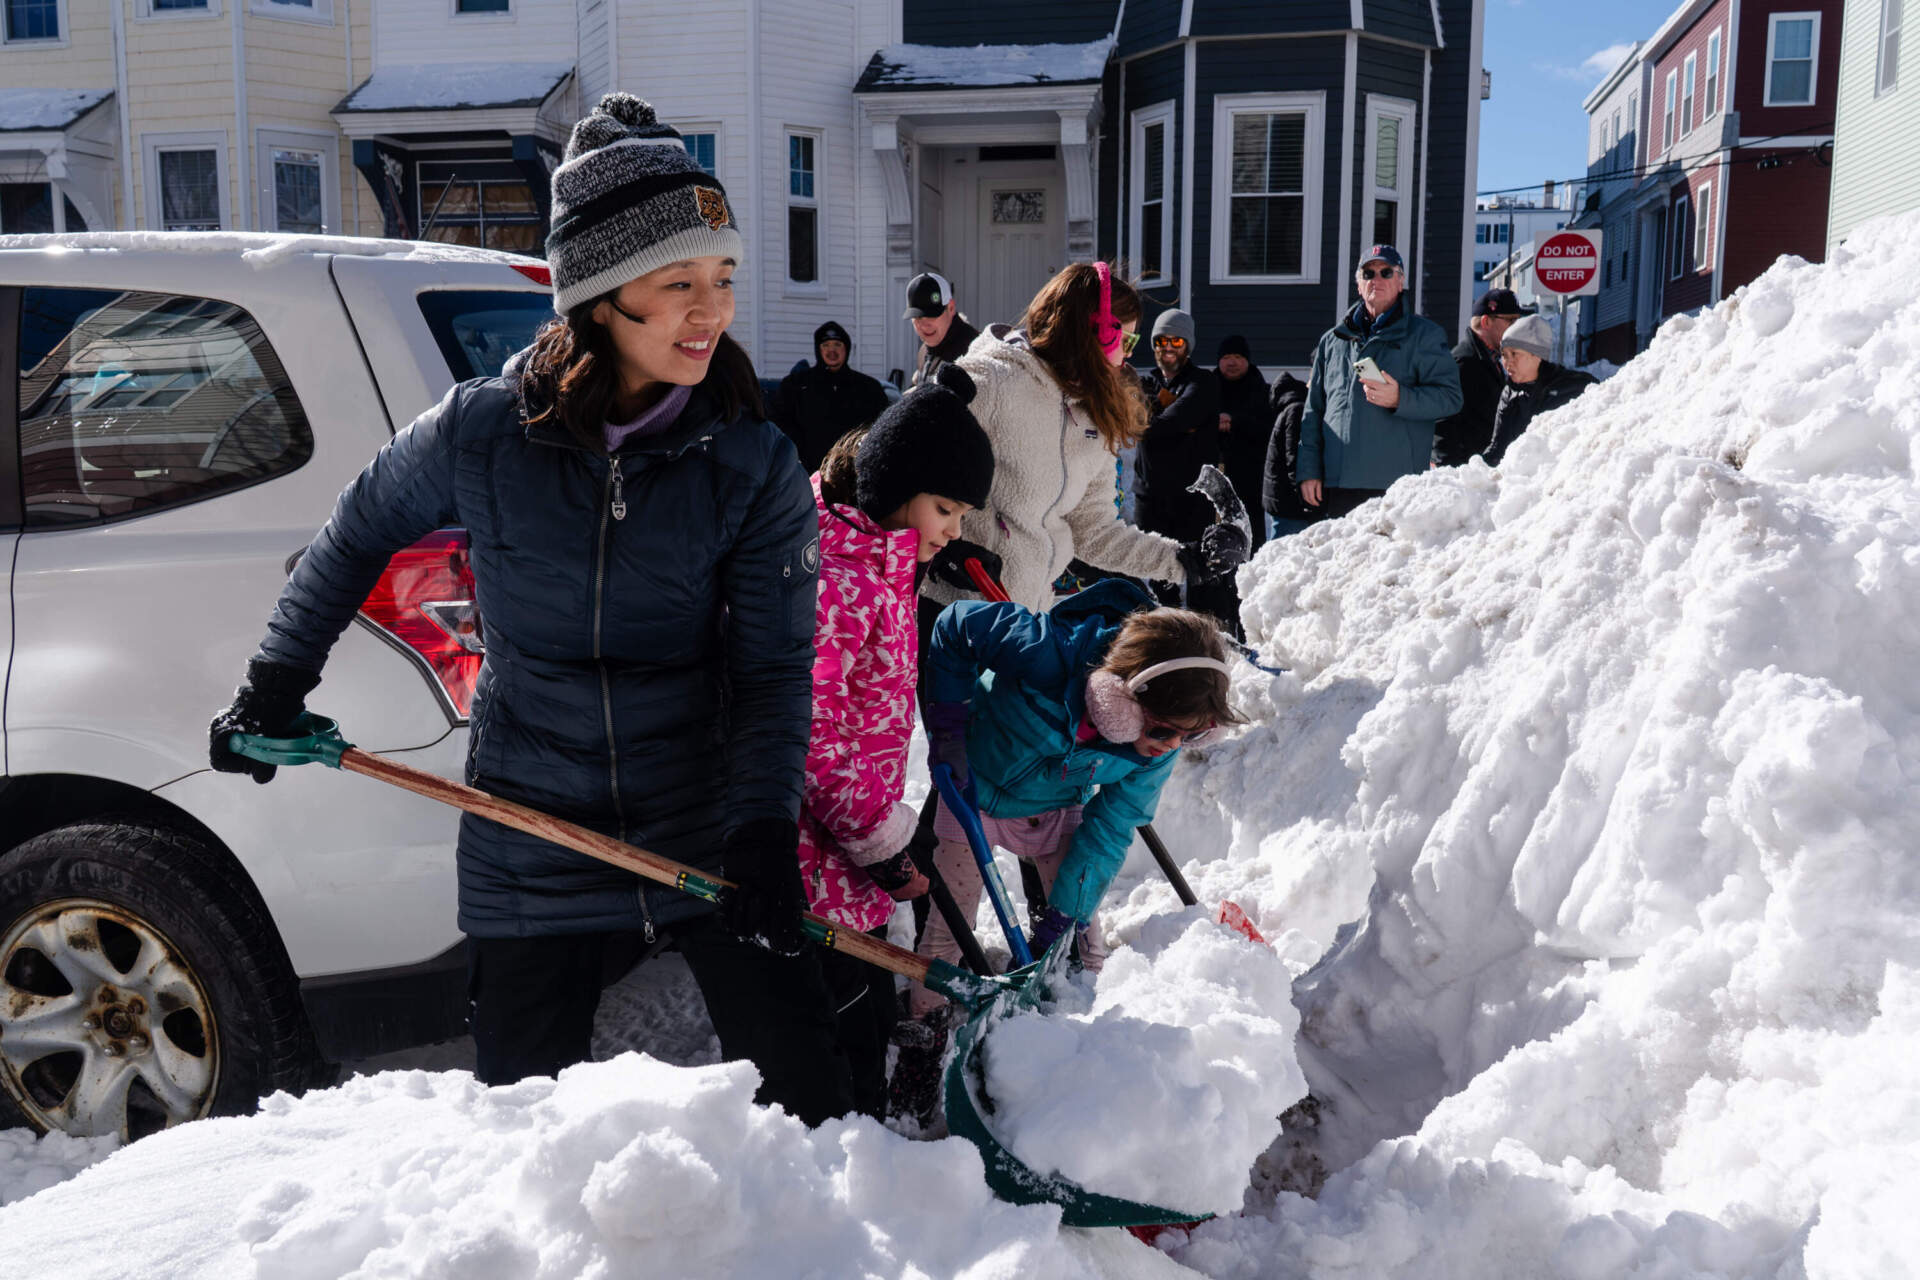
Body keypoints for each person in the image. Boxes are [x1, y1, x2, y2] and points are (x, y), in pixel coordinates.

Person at [206, 94, 855, 1122]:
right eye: (677, 281)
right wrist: (275, 682)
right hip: (532, 817)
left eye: (722, 277)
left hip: (699, 810)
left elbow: (775, 667)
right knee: (523, 1120)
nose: (712, 310)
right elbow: (353, 533)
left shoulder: (750, 460)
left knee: (810, 1090)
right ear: (598, 295)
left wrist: (766, 831)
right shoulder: (483, 433)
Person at [888, 584, 1240, 1126]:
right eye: (1164, 730)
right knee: (945, 930)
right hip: (972, 792)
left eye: (1191, 737)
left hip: (1055, 809)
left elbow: (1113, 826)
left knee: (1082, 938)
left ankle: (1066, 1041)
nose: (1170, 746)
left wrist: (1061, 918)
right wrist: (949, 728)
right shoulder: (1047, 652)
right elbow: (955, 624)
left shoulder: (1154, 749)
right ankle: (923, 1038)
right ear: (1122, 698)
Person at [799, 366, 995, 1120]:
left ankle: (875, 1125)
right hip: (817, 856)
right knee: (837, 1038)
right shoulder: (839, 580)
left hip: (853, 849)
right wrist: (880, 837)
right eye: (945, 509)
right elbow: (811, 734)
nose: (953, 530)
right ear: (892, 488)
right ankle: (846, 1164)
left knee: (869, 1013)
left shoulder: (878, 562)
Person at [930, 262, 1249, 619]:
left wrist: (1186, 560)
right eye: (1125, 339)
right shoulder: (993, 380)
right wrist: (941, 549)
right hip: (954, 613)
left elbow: (1093, 531)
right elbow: (902, 468)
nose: (1129, 354)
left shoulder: (1093, 413)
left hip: (1024, 618)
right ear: (1091, 331)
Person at [1296, 244, 1464, 520]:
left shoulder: (1425, 335)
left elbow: (1450, 398)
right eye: (1368, 273)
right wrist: (1309, 470)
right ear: (1358, 284)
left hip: (1395, 483)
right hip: (1339, 483)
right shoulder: (1332, 341)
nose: (1377, 279)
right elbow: (1314, 412)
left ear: (1400, 282)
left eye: (1386, 272)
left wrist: (1401, 398)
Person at [1133, 308, 1222, 550]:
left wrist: (1153, 416)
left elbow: (1166, 424)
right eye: (1161, 341)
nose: (1168, 347)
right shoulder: (1144, 383)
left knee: (1195, 575)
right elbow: (1132, 424)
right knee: (1154, 579)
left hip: (1189, 502)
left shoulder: (1203, 382)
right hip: (1149, 501)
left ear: (1188, 346)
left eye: (1177, 341)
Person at [774, 319, 893, 473]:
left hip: (852, 473)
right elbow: (778, 422)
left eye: (837, 345)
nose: (832, 351)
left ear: (847, 349)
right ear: (818, 349)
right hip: (808, 473)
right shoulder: (796, 386)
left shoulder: (868, 388)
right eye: (826, 345)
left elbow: (882, 426)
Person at [1431, 288, 1532, 468]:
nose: (1517, 327)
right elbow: (1442, 423)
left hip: (1486, 469)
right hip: (1467, 474)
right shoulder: (1463, 362)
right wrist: (1451, 473)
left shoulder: (1491, 359)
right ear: (1486, 321)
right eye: (1511, 320)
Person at [1485, 314, 1595, 466]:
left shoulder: (1572, 388)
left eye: (1515, 354)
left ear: (1537, 355)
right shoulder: (1509, 392)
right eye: (1504, 355)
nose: (1507, 362)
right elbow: (1497, 446)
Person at [1213, 334, 1275, 552]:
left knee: (1251, 535)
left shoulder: (1262, 391)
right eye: (1227, 356)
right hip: (1215, 475)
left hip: (1251, 476)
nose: (1232, 362)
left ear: (1247, 360)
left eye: (1238, 356)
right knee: (1216, 533)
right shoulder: (1206, 389)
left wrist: (1235, 423)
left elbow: (1268, 429)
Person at [1261, 369, 1316, 541]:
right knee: (1283, 558)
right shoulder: (1297, 409)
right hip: (1291, 504)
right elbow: (1295, 458)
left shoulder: (1290, 406)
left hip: (1282, 500)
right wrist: (1305, 501)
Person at [904, 270, 981, 389]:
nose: (924, 325)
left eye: (932, 315)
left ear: (951, 308)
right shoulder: (924, 350)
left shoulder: (974, 351)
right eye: (918, 317)